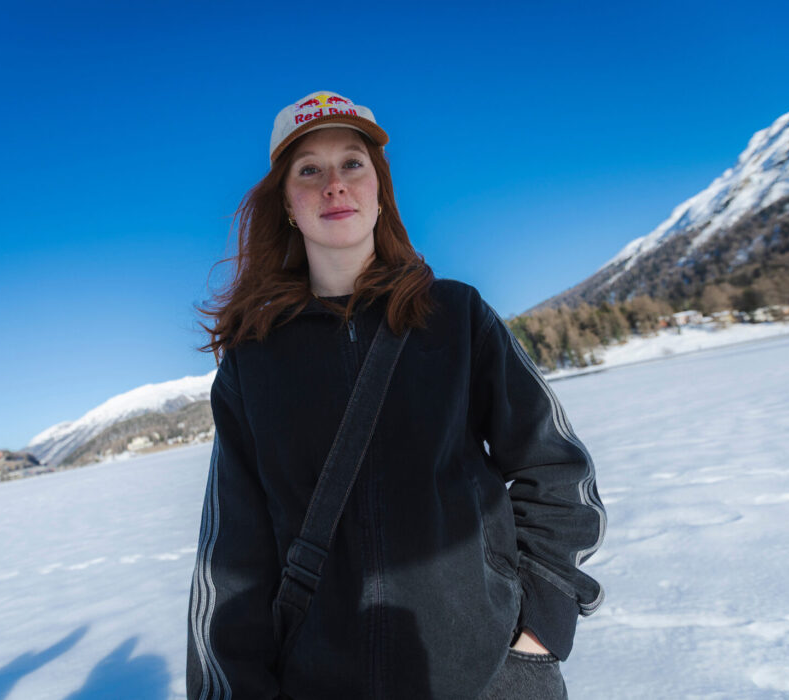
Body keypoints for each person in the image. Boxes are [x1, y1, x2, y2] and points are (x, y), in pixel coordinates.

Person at [187, 90, 605, 699]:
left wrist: (537, 633)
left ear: (379, 189)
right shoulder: (253, 363)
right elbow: (231, 559)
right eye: (310, 170)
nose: (335, 184)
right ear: (287, 205)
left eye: (352, 163)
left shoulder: (456, 317)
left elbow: (558, 470)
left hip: (489, 673)